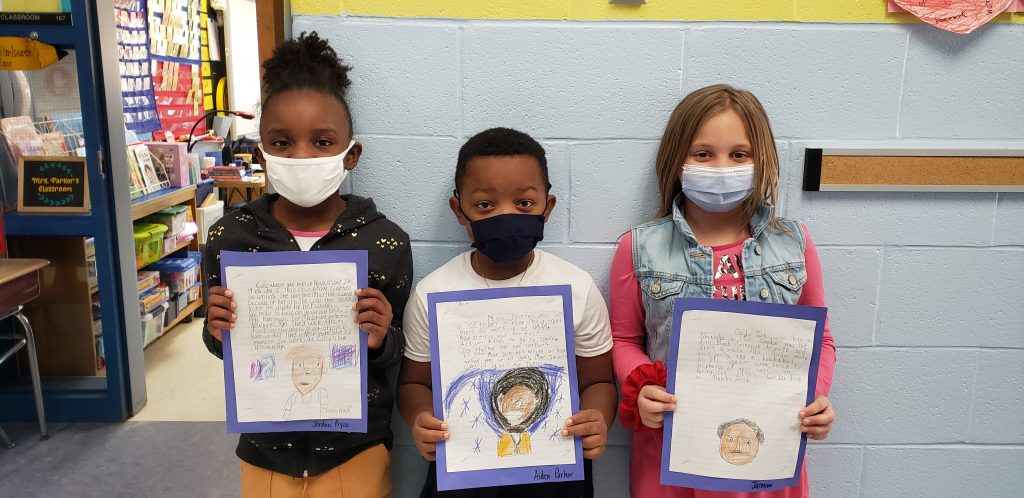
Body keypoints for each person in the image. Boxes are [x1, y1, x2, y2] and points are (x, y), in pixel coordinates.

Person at [202, 32, 412, 497]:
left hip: (355, 449)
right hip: (265, 448)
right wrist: (216, 330)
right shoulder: (229, 237)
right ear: (260, 153)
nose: (301, 156)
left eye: (321, 142)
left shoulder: (385, 241)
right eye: (281, 142)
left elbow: (399, 346)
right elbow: (222, 345)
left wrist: (381, 337)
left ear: (350, 153)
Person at [610, 84, 837, 497]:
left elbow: (820, 340)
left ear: (761, 159)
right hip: (671, 452)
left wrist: (816, 398)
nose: (720, 167)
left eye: (739, 154)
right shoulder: (639, 247)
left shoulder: (795, 244)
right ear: (676, 160)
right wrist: (641, 388)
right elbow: (625, 339)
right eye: (703, 154)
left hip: (768, 450)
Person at [398, 128, 617, 498]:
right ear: (459, 209)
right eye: (485, 205)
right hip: (462, 476)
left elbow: (599, 381)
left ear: (547, 207)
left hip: (557, 475)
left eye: (524, 204)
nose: (506, 216)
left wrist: (598, 419)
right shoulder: (432, 293)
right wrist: (420, 420)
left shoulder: (576, 288)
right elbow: (413, 384)